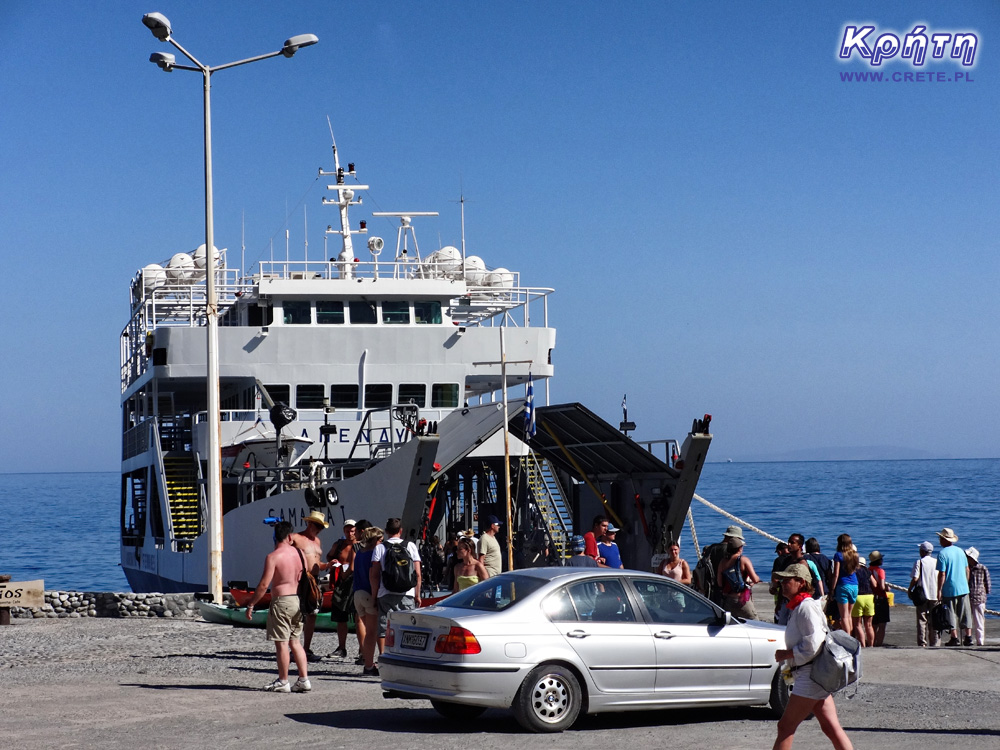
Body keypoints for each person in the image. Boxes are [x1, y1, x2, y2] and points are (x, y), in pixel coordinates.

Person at [771, 563, 854, 750]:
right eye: (782, 580)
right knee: (831, 728)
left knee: (785, 726)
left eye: (787, 580)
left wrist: (788, 653)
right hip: (812, 675)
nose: (782, 583)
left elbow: (814, 643)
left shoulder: (806, 607)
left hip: (810, 676)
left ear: (801, 582)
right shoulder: (799, 606)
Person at [245, 521, 311, 693]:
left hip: (281, 601)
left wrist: (251, 604)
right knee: (295, 642)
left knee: (281, 643)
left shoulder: (273, 556)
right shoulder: (300, 554)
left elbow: (263, 585)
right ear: (290, 536)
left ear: (275, 537)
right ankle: (304, 679)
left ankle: (283, 680)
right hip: (297, 600)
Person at [370, 517, 421, 666]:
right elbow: (417, 573)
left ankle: (383, 658)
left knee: (383, 626)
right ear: (401, 531)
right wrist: (417, 594)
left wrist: (374, 596)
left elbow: (374, 575)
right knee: (408, 627)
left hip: (386, 593)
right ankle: (407, 658)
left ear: (386, 532)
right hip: (407, 593)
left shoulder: (380, 548)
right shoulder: (410, 546)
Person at [291, 510, 330, 662]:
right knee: (297, 614)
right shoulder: (296, 538)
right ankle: (295, 647)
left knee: (312, 614)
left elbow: (316, 563)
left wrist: (327, 565)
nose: (319, 529)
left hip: (314, 580)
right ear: (309, 523)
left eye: (321, 526)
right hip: (301, 579)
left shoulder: (317, 541)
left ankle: (306, 648)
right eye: (317, 525)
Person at [353, 526, 383, 676]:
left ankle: (367, 660)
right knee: (374, 632)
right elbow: (374, 576)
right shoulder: (374, 553)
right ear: (376, 540)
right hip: (368, 593)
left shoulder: (359, 552)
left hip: (357, 594)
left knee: (368, 629)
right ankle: (370, 665)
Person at [935, 527, 972, 647]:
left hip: (949, 588)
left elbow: (942, 574)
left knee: (950, 612)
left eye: (940, 538)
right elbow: (967, 569)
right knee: (965, 612)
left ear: (944, 540)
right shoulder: (960, 551)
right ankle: (968, 637)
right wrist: (965, 582)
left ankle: (954, 638)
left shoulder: (942, 554)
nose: (939, 540)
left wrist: (939, 590)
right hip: (963, 587)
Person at [716, 535, 760, 620]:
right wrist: (757, 579)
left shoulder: (723, 562)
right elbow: (755, 579)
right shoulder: (744, 560)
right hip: (742, 599)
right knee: (756, 623)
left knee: (730, 624)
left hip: (728, 599)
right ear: (740, 548)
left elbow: (719, 583)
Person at [326, 538, 354, 658]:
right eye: (347, 530)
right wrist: (333, 560)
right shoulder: (339, 545)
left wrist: (345, 573)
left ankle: (363, 651)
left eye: (352, 530)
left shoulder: (360, 546)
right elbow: (329, 557)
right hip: (341, 583)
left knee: (359, 618)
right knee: (340, 617)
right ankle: (341, 647)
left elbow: (353, 567)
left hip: (354, 583)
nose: (350, 533)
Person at [910, 541, 940, 648]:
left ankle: (922, 642)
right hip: (935, 594)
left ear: (922, 551)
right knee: (935, 620)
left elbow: (915, 578)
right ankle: (935, 642)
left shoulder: (919, 562)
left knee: (922, 620)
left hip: (922, 595)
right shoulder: (937, 561)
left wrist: (910, 589)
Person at [831, 534, 859, 637]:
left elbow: (836, 574)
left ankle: (847, 639)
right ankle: (851, 637)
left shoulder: (838, 555)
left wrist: (832, 589)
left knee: (844, 617)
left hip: (843, 585)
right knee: (849, 615)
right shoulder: (855, 555)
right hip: (854, 585)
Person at [966, 547, 991, 646]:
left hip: (971, 597)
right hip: (980, 597)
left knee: (973, 621)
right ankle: (978, 641)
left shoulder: (969, 568)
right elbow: (987, 583)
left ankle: (976, 641)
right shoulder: (982, 568)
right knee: (978, 621)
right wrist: (986, 592)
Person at [850, 557, 876, 647]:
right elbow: (875, 584)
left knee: (858, 624)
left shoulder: (854, 571)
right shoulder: (868, 572)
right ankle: (871, 645)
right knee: (869, 625)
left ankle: (863, 645)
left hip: (858, 597)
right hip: (869, 597)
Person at [869, 550, 890, 647]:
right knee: (882, 625)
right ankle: (878, 644)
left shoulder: (868, 570)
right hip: (881, 598)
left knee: (873, 624)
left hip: (871, 598)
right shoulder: (880, 571)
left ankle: (872, 643)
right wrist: (887, 588)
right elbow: (881, 586)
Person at [804, 538, 832, 605]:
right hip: (824, 589)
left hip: (811, 590)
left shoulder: (806, 558)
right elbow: (829, 576)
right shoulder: (825, 558)